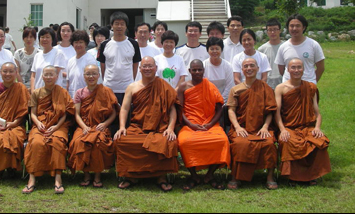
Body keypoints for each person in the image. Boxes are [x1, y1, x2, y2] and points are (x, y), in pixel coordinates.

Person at [114, 56, 179, 192]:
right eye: (145, 66)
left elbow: (173, 109)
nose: (148, 68)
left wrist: (171, 128)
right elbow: (124, 108)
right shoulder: (132, 87)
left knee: (167, 141)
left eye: (150, 66)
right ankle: (131, 175)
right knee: (123, 141)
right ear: (140, 68)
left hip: (159, 128)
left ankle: (161, 177)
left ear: (156, 68)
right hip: (137, 127)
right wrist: (121, 127)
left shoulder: (164, 86)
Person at [274, 58, 331, 185]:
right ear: (287, 70)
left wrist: (317, 128)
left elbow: (317, 113)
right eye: (293, 67)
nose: (296, 70)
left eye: (299, 67)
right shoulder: (281, 88)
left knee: (320, 142)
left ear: (303, 69)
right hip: (289, 127)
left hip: (307, 127)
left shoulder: (310, 87)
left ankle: (312, 175)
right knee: (287, 141)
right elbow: (276, 113)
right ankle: (292, 177)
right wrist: (282, 130)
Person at [177, 60, 230, 190]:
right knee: (184, 142)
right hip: (190, 125)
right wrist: (190, 124)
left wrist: (210, 124)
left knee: (222, 141)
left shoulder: (210, 86)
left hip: (210, 124)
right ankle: (194, 175)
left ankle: (209, 175)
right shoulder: (183, 87)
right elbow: (180, 109)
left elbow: (219, 109)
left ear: (203, 70)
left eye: (199, 69)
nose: (197, 72)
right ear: (189, 71)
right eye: (194, 70)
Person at [227, 58, 278, 190]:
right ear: (242, 70)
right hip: (242, 127)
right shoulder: (236, 89)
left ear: (257, 68)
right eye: (246, 66)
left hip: (261, 127)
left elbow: (270, 111)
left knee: (269, 143)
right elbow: (231, 110)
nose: (249, 68)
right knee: (240, 143)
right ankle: (235, 176)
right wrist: (237, 127)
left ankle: (270, 177)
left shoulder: (265, 88)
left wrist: (265, 126)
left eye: (252, 66)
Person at [23, 66, 74, 194]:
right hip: (40, 124)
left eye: (52, 74)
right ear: (42, 76)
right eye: (46, 74)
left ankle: (58, 179)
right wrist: (38, 123)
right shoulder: (37, 93)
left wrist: (56, 127)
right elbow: (32, 113)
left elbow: (65, 114)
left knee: (57, 143)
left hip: (58, 125)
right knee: (35, 143)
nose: (49, 77)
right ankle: (32, 179)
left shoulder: (62, 92)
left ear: (57, 77)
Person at [68, 65, 119, 188]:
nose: (91, 76)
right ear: (84, 76)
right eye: (88, 74)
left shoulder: (106, 91)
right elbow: (77, 114)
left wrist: (105, 124)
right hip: (84, 126)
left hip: (100, 126)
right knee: (79, 141)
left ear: (98, 75)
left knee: (98, 142)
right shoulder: (79, 92)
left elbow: (114, 113)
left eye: (94, 73)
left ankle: (97, 175)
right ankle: (86, 175)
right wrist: (84, 127)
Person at [0, 62, 30, 181]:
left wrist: (14, 123)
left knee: (14, 138)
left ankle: (10, 167)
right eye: (5, 71)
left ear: (16, 73)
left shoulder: (21, 89)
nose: (8, 74)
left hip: (15, 125)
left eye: (11, 71)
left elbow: (24, 112)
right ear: (0, 73)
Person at [97, 12, 142, 105]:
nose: (119, 26)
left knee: (126, 116)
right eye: (116, 23)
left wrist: (131, 81)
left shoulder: (133, 44)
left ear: (126, 26)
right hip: (109, 87)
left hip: (127, 87)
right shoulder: (104, 44)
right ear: (111, 26)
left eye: (122, 24)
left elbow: (135, 65)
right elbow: (102, 66)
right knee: (110, 115)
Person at [275, 14, 325, 84]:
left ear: (303, 27)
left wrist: (312, 81)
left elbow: (321, 68)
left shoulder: (313, 45)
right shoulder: (283, 47)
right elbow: (281, 70)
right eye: (291, 26)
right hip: (288, 87)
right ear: (288, 28)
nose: (294, 28)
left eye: (297, 26)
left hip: (308, 85)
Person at [14, 27, 39, 130]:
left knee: (35, 113)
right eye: (26, 37)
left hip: (36, 89)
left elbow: (38, 72)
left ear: (35, 38)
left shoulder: (39, 53)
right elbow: (17, 71)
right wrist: (23, 87)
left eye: (31, 37)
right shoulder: (18, 53)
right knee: (23, 113)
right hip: (22, 88)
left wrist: (31, 89)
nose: (29, 39)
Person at [30, 27, 67, 92]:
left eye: (47, 37)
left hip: (53, 92)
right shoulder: (37, 55)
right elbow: (33, 76)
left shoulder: (58, 53)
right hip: (38, 93)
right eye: (42, 37)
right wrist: (33, 91)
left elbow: (55, 74)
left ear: (52, 39)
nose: (44, 39)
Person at [203, 37, 234, 103]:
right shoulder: (203, 65)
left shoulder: (228, 66)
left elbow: (229, 86)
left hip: (224, 101)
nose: (214, 51)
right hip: (207, 101)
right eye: (212, 49)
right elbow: (202, 87)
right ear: (207, 50)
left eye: (217, 49)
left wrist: (220, 100)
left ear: (221, 50)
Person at [66, 30, 97, 98]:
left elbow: (94, 81)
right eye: (76, 42)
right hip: (72, 98)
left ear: (86, 44)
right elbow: (68, 81)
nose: (78, 45)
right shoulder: (70, 61)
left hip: (86, 97)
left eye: (81, 42)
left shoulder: (90, 60)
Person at [258, 18, 285, 89]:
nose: (273, 32)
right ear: (267, 32)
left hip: (283, 81)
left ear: (280, 31)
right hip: (267, 83)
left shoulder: (286, 47)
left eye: (275, 29)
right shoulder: (261, 49)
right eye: (270, 30)